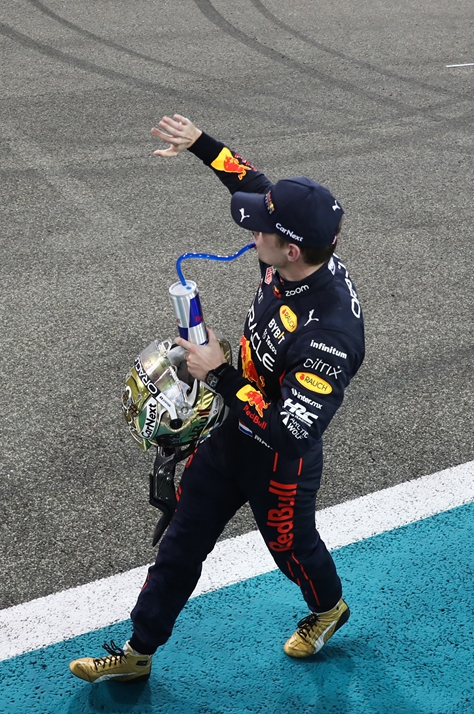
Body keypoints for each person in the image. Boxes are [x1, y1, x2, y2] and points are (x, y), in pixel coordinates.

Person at [69, 114, 365, 683]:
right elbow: (251, 182)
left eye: (261, 230)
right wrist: (200, 144)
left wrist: (221, 374)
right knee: (181, 542)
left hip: (278, 463)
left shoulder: (329, 334)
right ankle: (137, 651)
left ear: (292, 249)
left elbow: (291, 433)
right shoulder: (296, 248)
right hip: (232, 432)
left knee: (293, 549)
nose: (252, 234)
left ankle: (329, 608)